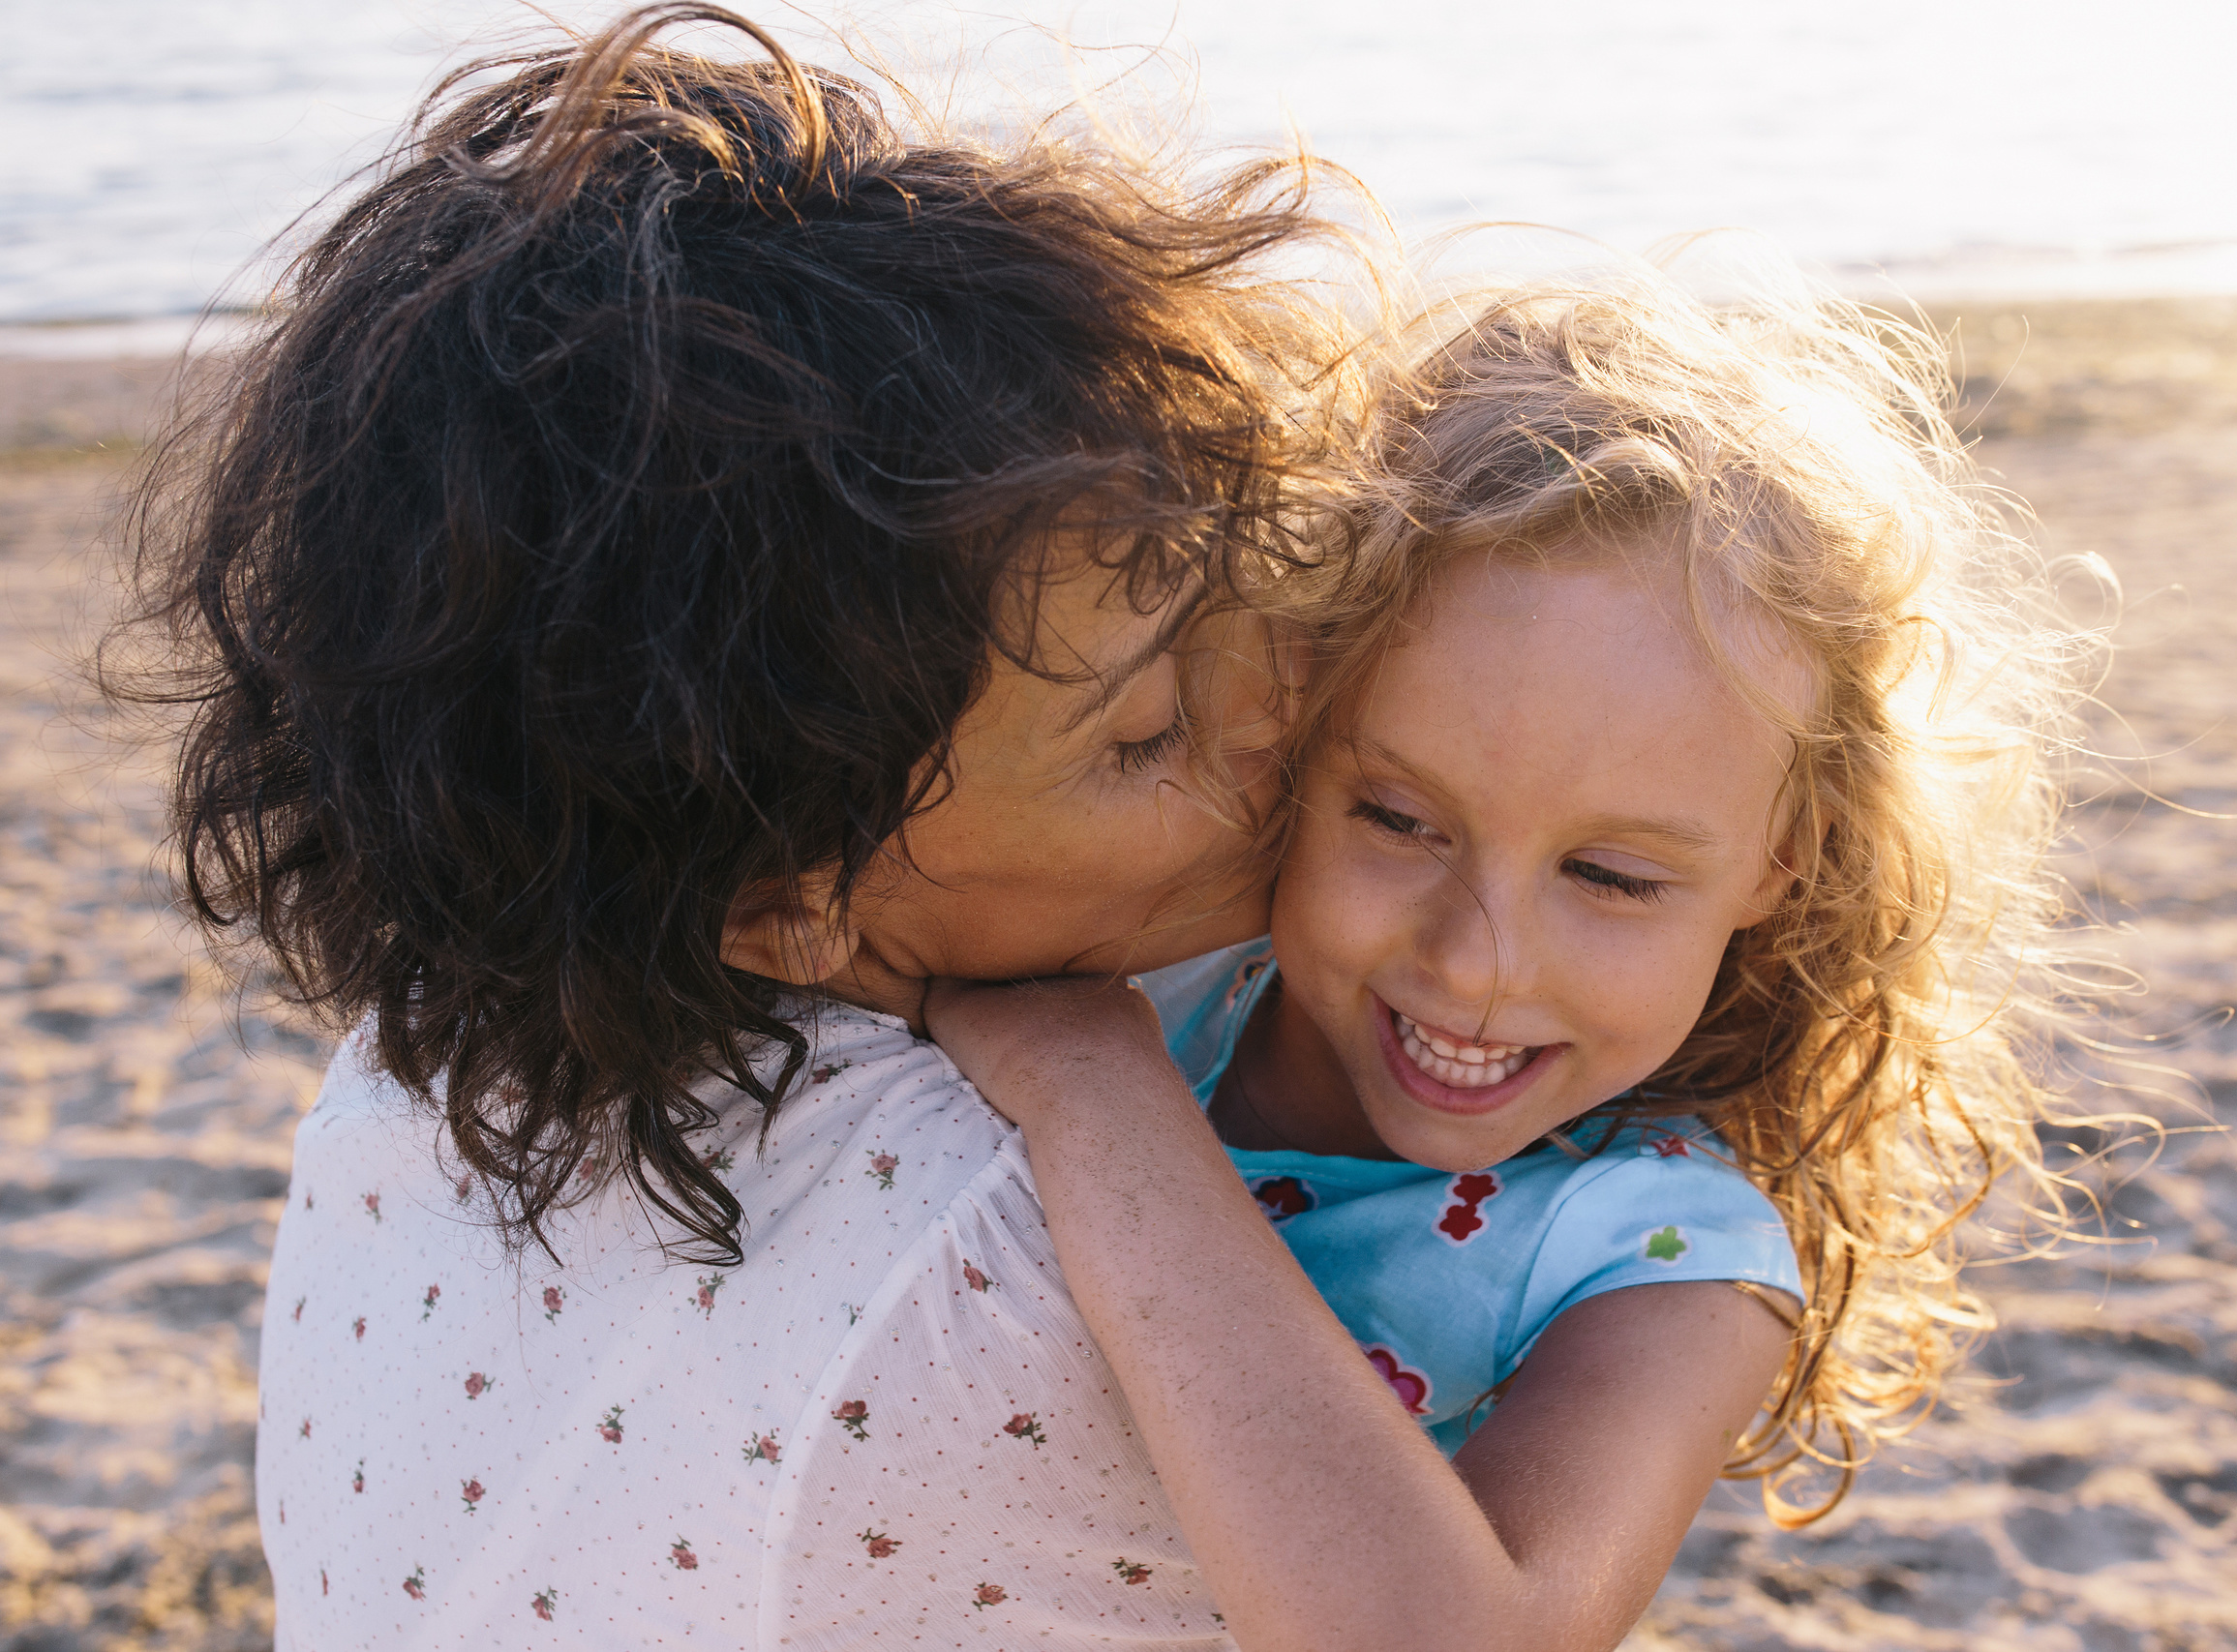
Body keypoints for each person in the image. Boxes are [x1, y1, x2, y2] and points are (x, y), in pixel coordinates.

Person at [126, 5, 1360, 1644]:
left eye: (1227, 600)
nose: (1286, 718)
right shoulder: (1037, 1264)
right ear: (786, 907)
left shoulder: (416, 1070)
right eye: (1147, 732)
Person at [928, 272, 2096, 1652]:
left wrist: (1094, 1095)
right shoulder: (1143, 970)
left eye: (1611, 876)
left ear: (1784, 861)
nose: (1479, 964)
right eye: (1398, 819)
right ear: (1289, 738)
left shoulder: (1658, 1267)